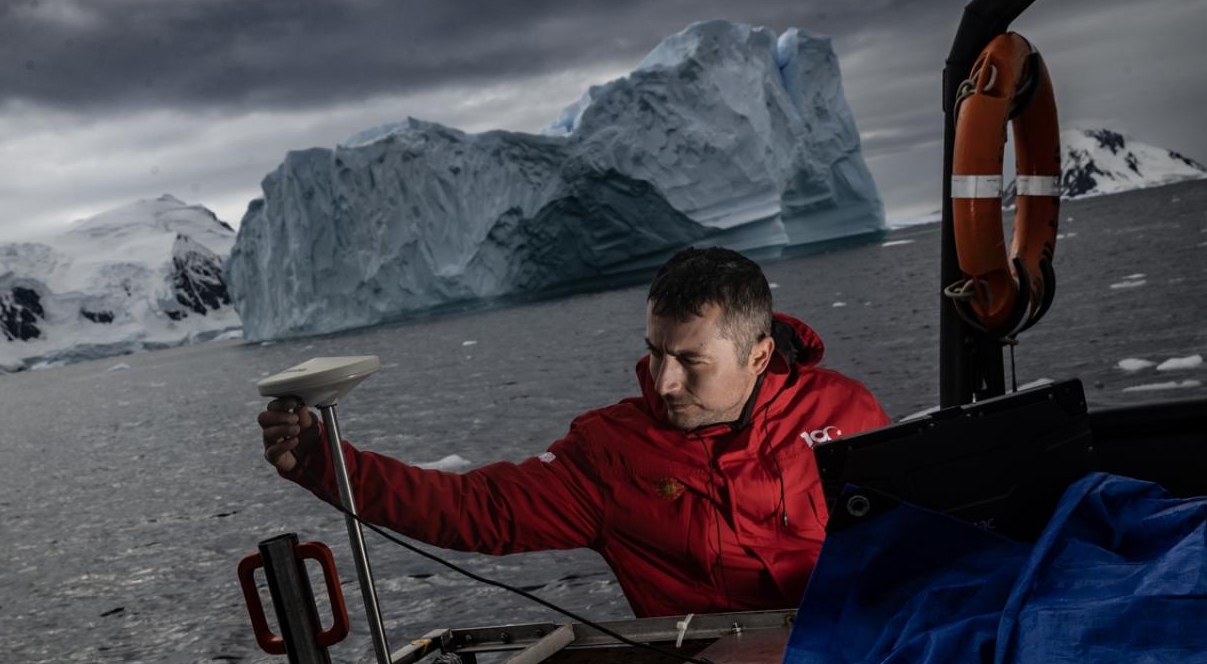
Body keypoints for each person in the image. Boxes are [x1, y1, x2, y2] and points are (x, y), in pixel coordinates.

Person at [259, 247, 890, 618]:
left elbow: (921, 537)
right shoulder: (612, 453)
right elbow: (477, 510)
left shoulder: (846, 408)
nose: (663, 380)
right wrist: (323, 460)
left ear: (756, 355)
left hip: (867, 661)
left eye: (691, 361)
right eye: (655, 351)